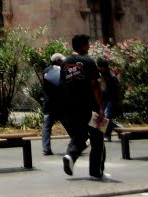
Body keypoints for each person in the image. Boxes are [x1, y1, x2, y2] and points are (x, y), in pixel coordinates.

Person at [59, 33, 106, 179]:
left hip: (72, 106)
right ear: (84, 46)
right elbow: (95, 86)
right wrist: (101, 107)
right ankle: (96, 171)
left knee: (79, 135)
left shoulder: (65, 63)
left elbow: (64, 84)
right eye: (87, 44)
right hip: (91, 106)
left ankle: (70, 155)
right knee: (98, 138)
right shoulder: (88, 61)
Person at [40, 53, 65, 155]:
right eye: (62, 61)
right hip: (59, 104)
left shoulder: (47, 71)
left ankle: (46, 148)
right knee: (69, 124)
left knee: (46, 127)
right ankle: (78, 143)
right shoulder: (59, 71)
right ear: (58, 61)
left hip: (49, 103)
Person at [97, 59, 121, 142]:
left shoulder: (112, 77)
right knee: (102, 117)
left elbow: (118, 89)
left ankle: (106, 135)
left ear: (104, 67)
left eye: (100, 67)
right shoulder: (100, 75)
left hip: (111, 99)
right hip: (103, 99)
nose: (98, 68)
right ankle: (118, 128)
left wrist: (118, 101)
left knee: (106, 117)